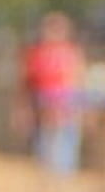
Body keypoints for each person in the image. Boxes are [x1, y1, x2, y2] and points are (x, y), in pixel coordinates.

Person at [23, 12, 84, 179]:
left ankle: (64, 182)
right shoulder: (36, 53)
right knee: (44, 152)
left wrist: (75, 109)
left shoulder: (71, 52)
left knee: (65, 151)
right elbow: (27, 82)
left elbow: (77, 80)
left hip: (65, 111)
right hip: (43, 112)